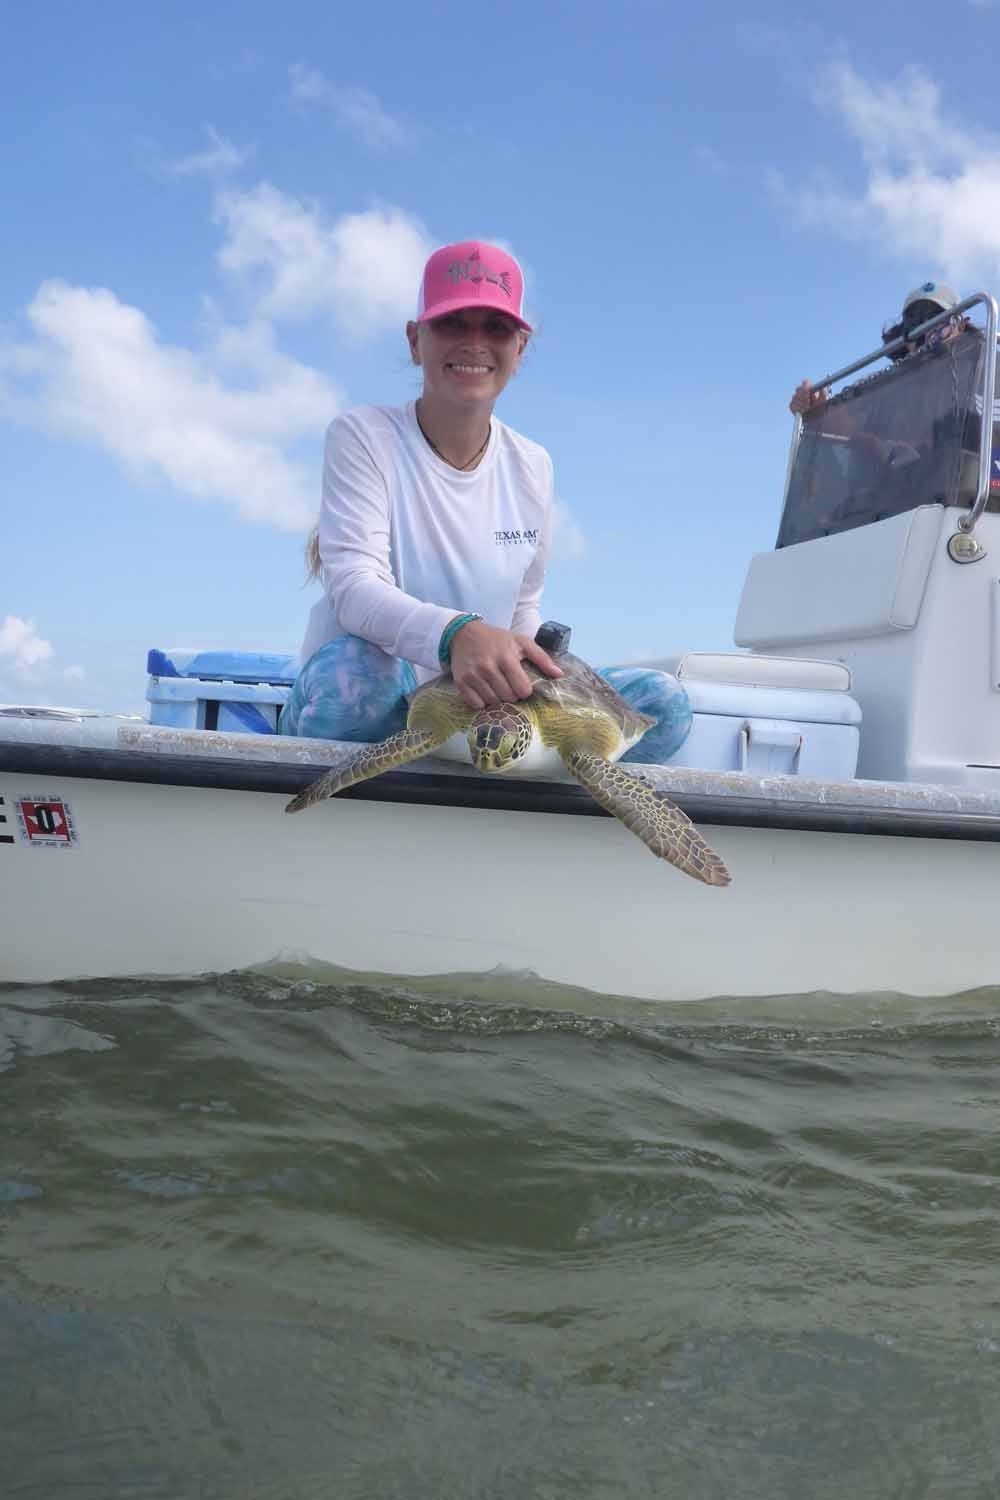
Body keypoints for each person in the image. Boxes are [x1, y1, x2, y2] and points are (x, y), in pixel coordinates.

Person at [280, 239, 692, 764]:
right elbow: (354, 588)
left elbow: (523, 608)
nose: (474, 342)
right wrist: (456, 635)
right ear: (415, 340)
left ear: (520, 348)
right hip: (386, 692)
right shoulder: (363, 435)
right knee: (358, 685)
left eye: (495, 328)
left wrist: (530, 677)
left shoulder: (532, 463)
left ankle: (538, 815)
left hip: (482, 707)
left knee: (665, 706)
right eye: (453, 324)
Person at [788, 281, 965, 421]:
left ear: (961, 325)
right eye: (914, 321)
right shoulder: (881, 387)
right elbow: (846, 428)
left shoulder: (985, 372)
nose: (926, 329)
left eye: (937, 318)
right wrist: (815, 408)